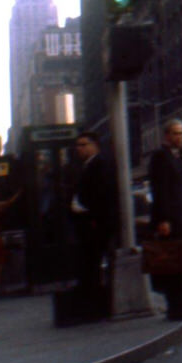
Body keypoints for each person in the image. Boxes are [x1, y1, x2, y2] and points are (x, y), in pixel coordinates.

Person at [145, 119, 182, 320]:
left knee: (181, 264)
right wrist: (164, 220)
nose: (180, 137)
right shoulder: (160, 157)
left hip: (180, 218)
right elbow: (160, 191)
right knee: (174, 266)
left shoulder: (176, 157)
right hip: (171, 221)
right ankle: (177, 309)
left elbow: (181, 191)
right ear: (167, 136)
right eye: (176, 133)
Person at [71, 132, 118, 319]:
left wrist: (90, 216)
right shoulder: (86, 166)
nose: (79, 148)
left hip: (96, 224)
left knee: (93, 263)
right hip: (89, 224)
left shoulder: (100, 165)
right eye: (77, 145)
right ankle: (92, 302)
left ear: (95, 145)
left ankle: (97, 306)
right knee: (89, 264)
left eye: (83, 144)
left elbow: (101, 195)